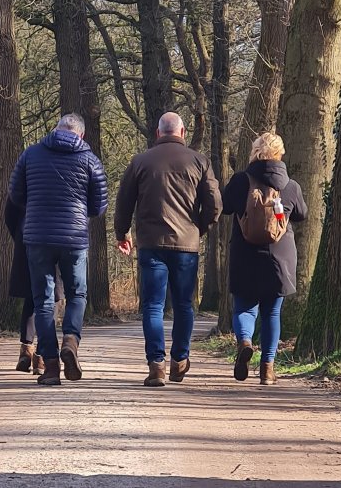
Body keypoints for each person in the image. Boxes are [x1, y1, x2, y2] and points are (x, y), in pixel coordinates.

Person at [115, 112, 222, 387]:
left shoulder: (140, 161)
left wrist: (122, 233)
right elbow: (215, 205)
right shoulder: (200, 161)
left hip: (151, 244)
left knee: (153, 306)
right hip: (186, 244)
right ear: (183, 132)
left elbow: (124, 201)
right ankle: (179, 360)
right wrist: (200, 228)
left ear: (158, 133)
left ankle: (156, 364)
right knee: (184, 305)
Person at [9, 113, 107, 386]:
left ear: (57, 129)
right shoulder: (90, 160)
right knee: (77, 294)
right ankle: (71, 342)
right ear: (82, 135)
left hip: (37, 237)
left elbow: (15, 195)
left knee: (43, 300)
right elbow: (99, 206)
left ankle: (51, 367)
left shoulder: (30, 155)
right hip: (74, 238)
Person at [222, 132, 307, 385]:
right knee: (272, 313)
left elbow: (225, 206)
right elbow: (301, 214)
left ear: (255, 152)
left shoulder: (240, 181)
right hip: (278, 258)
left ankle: (245, 341)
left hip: (244, 254)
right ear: (280, 154)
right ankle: (267, 370)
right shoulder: (290, 185)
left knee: (244, 308)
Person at [5, 198, 63, 376]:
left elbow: (10, 211)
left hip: (28, 237)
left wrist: (20, 235)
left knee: (32, 295)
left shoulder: (25, 172)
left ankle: (26, 349)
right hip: (57, 237)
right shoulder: (63, 173)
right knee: (52, 297)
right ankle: (41, 355)